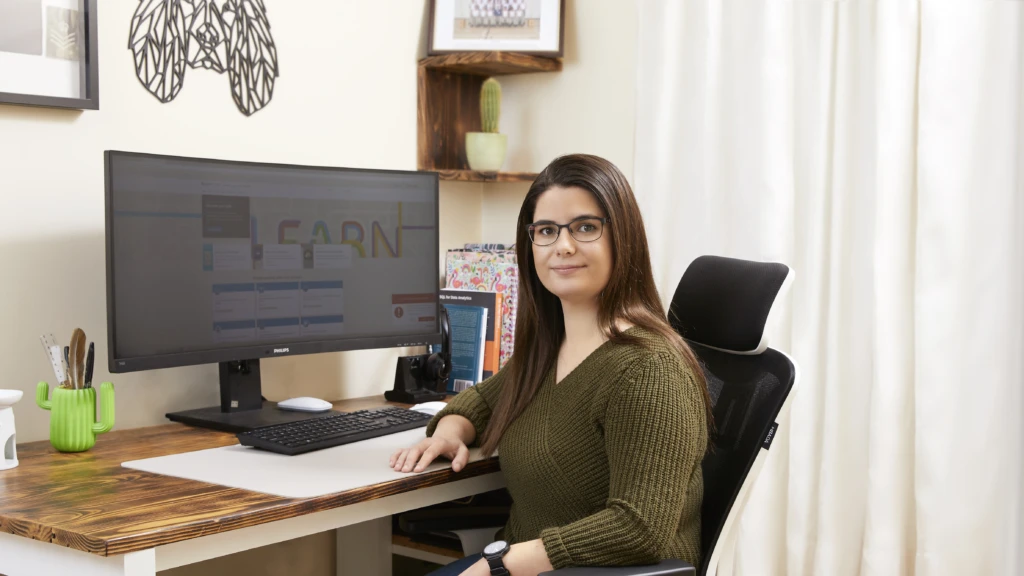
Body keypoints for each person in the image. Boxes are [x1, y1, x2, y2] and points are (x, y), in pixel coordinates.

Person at [390, 154, 713, 576]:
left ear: (623, 237)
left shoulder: (650, 370)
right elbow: (482, 402)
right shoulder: (550, 347)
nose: (562, 245)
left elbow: (639, 528)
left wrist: (501, 565)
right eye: (546, 230)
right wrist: (452, 431)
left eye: (585, 227)